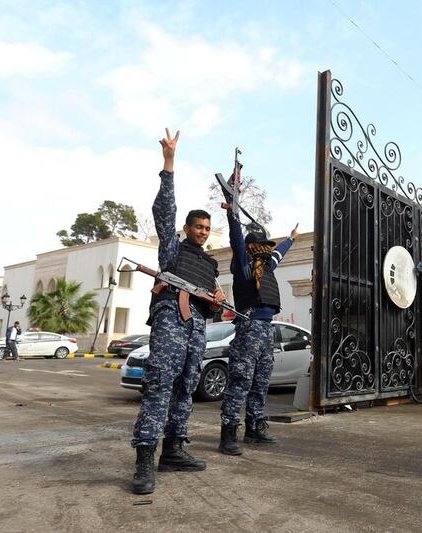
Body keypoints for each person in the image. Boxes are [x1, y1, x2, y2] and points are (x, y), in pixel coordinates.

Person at [130, 128, 225, 495]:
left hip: (197, 324)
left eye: (206, 228)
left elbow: (211, 298)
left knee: (187, 387)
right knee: (160, 386)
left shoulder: (210, 263)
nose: (202, 232)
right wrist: (169, 163)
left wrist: (215, 296)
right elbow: (163, 210)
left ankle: (173, 451)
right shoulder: (172, 249)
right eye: (197, 227)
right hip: (172, 317)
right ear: (186, 229)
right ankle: (144, 460)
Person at [218, 203, 299, 455]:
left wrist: (290, 240)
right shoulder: (243, 267)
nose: (266, 250)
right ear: (253, 248)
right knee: (241, 380)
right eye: (261, 246)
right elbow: (236, 239)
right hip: (249, 326)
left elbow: (278, 255)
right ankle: (228, 432)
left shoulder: (267, 268)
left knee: (261, 381)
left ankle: (254, 427)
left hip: (266, 330)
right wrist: (233, 214)